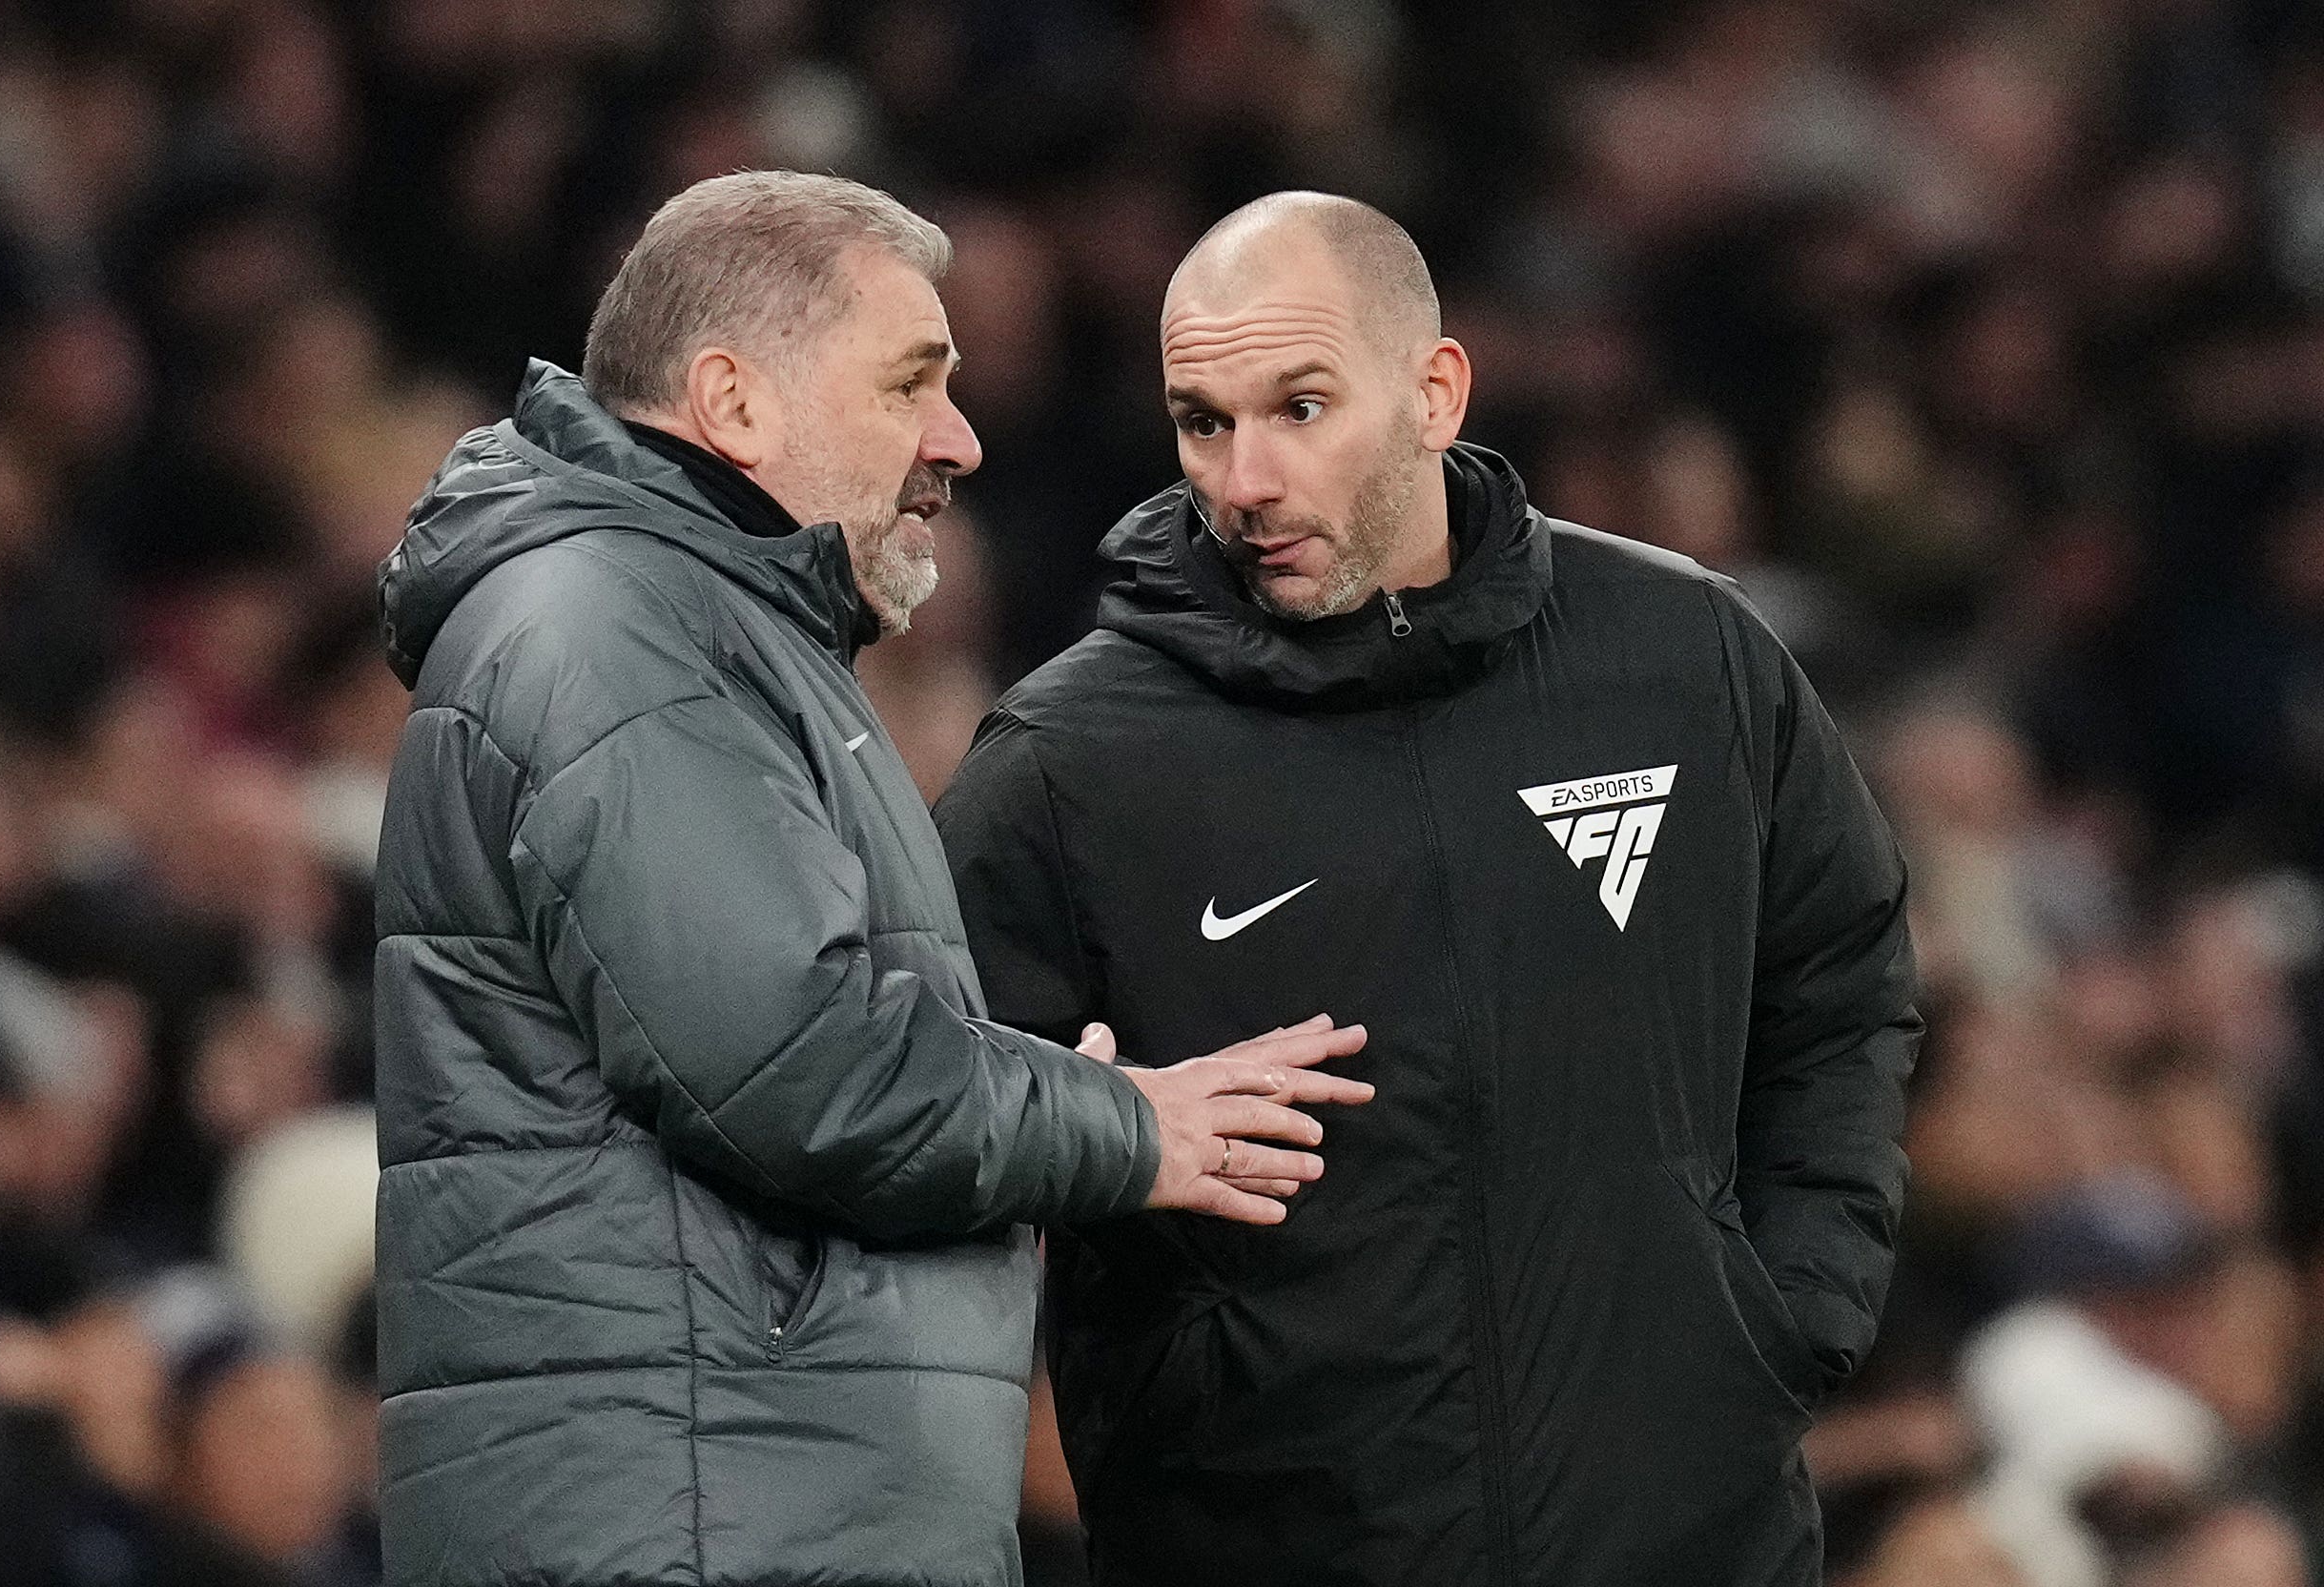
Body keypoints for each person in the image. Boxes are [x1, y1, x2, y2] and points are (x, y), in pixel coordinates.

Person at [370, 171, 1372, 1587]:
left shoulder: (699, 630)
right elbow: (794, 1062)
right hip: (699, 1530)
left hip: (738, 1509)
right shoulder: (611, 629)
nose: (957, 438)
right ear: (734, 402)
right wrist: (1129, 1125)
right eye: (912, 382)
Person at [934, 191, 1923, 1585]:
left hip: (1694, 1539)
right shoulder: (1074, 762)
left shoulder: (1683, 658)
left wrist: (1785, 1313)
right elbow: (934, 1111)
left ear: (1435, 391)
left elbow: (1841, 975)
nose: (1245, 478)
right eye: (1203, 421)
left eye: (1300, 406)